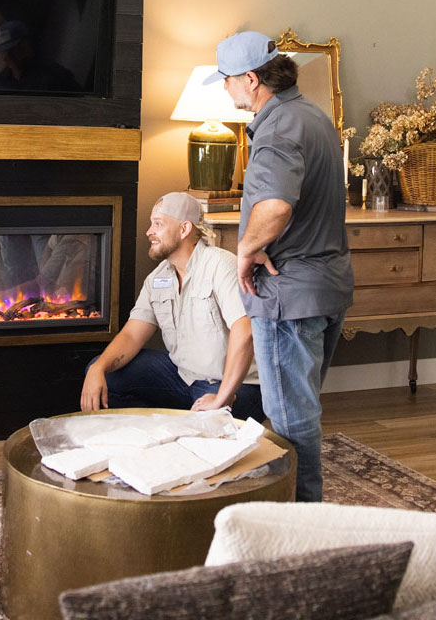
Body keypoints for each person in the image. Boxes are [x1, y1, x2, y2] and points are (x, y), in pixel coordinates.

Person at [204, 31, 354, 501]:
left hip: (289, 292)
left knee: (290, 417)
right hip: (327, 286)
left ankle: (301, 519)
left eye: (227, 81)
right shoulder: (313, 117)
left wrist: (245, 251)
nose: (226, 90)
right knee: (300, 409)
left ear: (251, 80)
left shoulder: (277, 128)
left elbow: (275, 207)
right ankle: (300, 509)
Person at [80, 192, 264, 422]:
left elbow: (245, 330)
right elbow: (131, 334)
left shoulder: (220, 265)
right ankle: (161, 431)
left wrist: (222, 398)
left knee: (210, 421)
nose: (149, 232)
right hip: (182, 378)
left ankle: (190, 426)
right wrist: (99, 368)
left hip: (235, 387)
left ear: (184, 229)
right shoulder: (157, 279)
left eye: (158, 224)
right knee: (102, 373)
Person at [0, 20, 81, 92]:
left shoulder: (54, 77)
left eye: (12, 50)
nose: (6, 57)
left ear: (26, 45)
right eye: (4, 51)